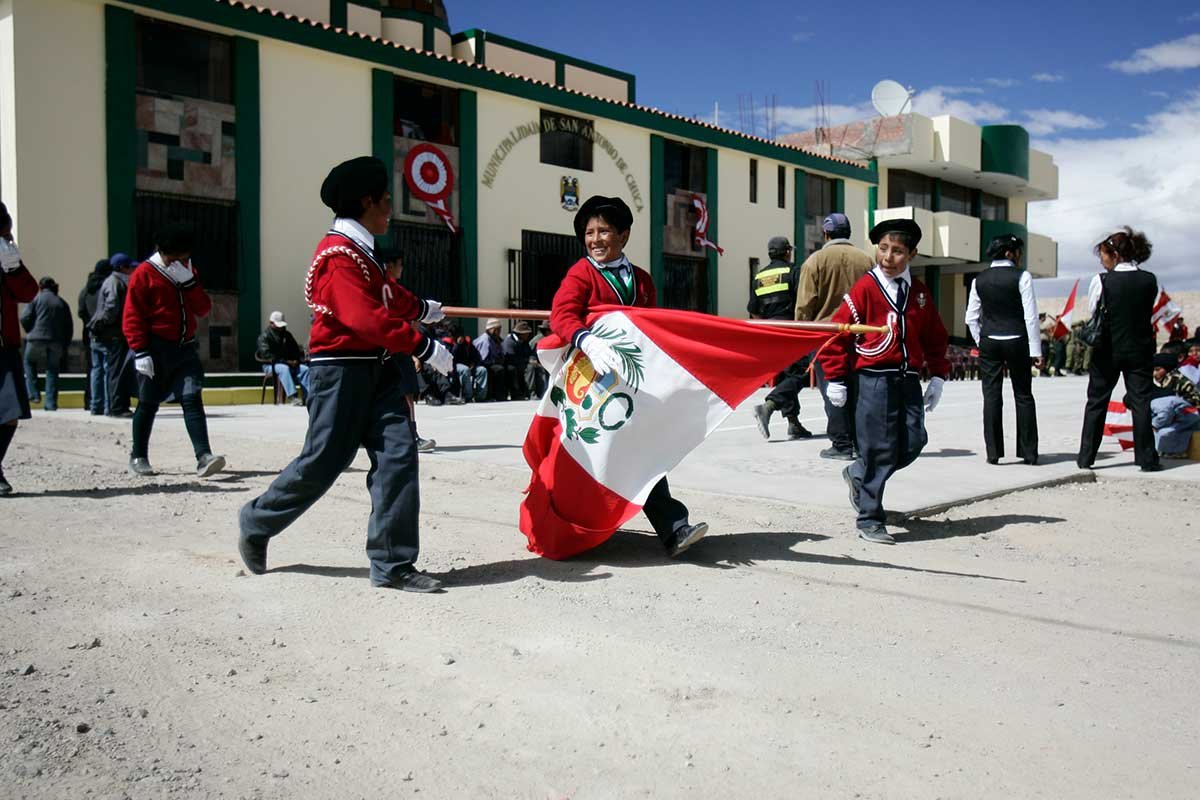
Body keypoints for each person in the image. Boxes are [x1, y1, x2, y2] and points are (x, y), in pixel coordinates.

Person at [238, 156, 453, 593]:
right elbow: (364, 317)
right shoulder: (337, 257)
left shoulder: (360, 252)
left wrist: (421, 309)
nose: (391, 209)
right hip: (340, 373)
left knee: (398, 455)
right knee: (323, 462)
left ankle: (392, 563)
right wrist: (423, 345)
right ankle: (257, 520)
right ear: (366, 202)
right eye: (386, 200)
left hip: (378, 370)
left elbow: (386, 295)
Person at [549, 194, 709, 557]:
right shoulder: (581, 273)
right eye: (589, 233)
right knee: (590, 458)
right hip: (591, 384)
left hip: (633, 382)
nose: (595, 240)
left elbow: (650, 329)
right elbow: (561, 314)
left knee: (643, 448)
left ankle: (674, 529)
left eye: (604, 231)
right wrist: (586, 339)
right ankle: (572, 530)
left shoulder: (643, 280)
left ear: (624, 235)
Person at [818, 218, 950, 545]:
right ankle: (869, 518)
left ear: (912, 254)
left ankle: (858, 473)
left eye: (898, 251)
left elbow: (934, 335)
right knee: (879, 450)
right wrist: (835, 377)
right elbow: (837, 333)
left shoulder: (919, 293)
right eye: (883, 249)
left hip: (908, 381)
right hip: (874, 381)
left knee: (914, 441)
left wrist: (938, 375)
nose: (888, 257)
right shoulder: (865, 288)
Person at [122, 223, 225, 478]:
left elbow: (202, 308)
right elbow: (132, 315)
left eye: (184, 257)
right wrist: (140, 350)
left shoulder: (187, 272)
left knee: (192, 398)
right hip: (155, 349)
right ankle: (138, 455)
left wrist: (190, 284)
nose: (179, 261)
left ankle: (204, 456)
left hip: (185, 349)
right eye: (174, 257)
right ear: (162, 251)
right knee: (148, 403)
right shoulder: (143, 274)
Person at [1077, 226, 1161, 472]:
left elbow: (1094, 311)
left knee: (1096, 402)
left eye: (1103, 254)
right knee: (1141, 403)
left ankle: (1086, 456)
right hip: (1139, 351)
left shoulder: (1102, 280)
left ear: (1115, 255)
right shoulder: (1149, 280)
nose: (1101, 260)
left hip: (1107, 350)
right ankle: (1146, 458)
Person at [794, 212, 874, 460]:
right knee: (858, 391)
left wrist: (801, 335)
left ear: (826, 234)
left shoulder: (815, 261)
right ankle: (860, 443)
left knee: (833, 390)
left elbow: (805, 305)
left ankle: (841, 444)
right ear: (848, 233)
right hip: (859, 335)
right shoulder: (866, 260)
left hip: (825, 337)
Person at [964, 233, 1041, 465]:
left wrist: (982, 341)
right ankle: (1028, 453)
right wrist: (1035, 350)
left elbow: (971, 318)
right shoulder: (1022, 276)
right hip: (1017, 339)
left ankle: (993, 452)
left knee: (991, 395)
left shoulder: (979, 280)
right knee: (1023, 395)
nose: (1020, 257)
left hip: (990, 340)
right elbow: (1031, 316)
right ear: (1009, 253)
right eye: (1018, 252)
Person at [749, 235, 813, 441]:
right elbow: (803, 302)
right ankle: (769, 405)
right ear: (787, 252)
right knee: (802, 373)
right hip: (791, 330)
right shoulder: (793, 271)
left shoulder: (759, 277)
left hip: (770, 333)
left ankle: (794, 424)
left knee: (788, 376)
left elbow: (754, 310)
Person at [0, 201, 39, 495]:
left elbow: (28, 292)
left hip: (4, 347)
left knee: (9, 413)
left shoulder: (7, 258)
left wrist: (13, 268)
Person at [88, 253, 136, 417]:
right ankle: (116, 407)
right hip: (113, 334)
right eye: (129, 267)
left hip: (107, 333)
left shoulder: (112, 281)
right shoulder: (115, 282)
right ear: (122, 268)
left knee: (101, 370)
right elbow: (112, 306)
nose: (131, 270)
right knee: (116, 371)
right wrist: (104, 323)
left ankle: (102, 406)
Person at [20, 277, 73, 411]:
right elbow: (68, 325)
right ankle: (50, 403)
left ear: (40, 287)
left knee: (29, 362)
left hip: (36, 339)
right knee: (52, 370)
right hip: (56, 341)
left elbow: (24, 317)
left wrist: (30, 330)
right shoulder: (61, 302)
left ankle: (33, 394)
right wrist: (65, 343)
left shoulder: (36, 299)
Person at [78, 259, 111, 414]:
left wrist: (90, 323)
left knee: (94, 369)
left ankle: (93, 404)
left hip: (90, 333)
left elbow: (81, 312)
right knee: (107, 369)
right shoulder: (107, 286)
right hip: (106, 332)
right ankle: (107, 405)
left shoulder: (86, 289)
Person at [256, 310, 308, 406]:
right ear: (271, 323)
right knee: (284, 368)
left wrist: (296, 360)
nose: (280, 328)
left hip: (288, 363)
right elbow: (267, 355)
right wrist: (286, 362)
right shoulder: (264, 337)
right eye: (278, 325)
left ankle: (309, 396)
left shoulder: (287, 335)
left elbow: (295, 349)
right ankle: (293, 397)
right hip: (271, 365)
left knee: (305, 369)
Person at [500, 320, 534, 400]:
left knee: (533, 367)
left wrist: (532, 359)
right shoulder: (509, 342)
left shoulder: (524, 342)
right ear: (521, 334)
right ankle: (518, 393)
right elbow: (511, 358)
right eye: (526, 333)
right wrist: (527, 361)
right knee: (514, 369)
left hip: (522, 363)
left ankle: (533, 392)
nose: (528, 335)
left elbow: (529, 353)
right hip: (512, 364)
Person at [452, 328, 488, 402]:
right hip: (454, 365)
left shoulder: (468, 343)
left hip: (469, 365)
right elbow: (452, 357)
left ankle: (480, 397)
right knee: (465, 369)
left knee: (482, 370)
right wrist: (458, 344)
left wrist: (473, 363)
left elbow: (476, 355)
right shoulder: (448, 342)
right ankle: (468, 396)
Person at [473, 318, 506, 400]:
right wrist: (496, 361)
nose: (500, 332)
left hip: (492, 363)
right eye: (498, 329)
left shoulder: (495, 339)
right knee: (498, 369)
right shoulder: (485, 340)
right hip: (482, 364)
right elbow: (482, 359)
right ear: (492, 329)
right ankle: (494, 395)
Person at [526, 321, 552, 399]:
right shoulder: (538, 340)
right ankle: (543, 393)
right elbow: (532, 355)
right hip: (537, 362)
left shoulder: (547, 338)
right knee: (542, 370)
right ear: (547, 331)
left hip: (546, 361)